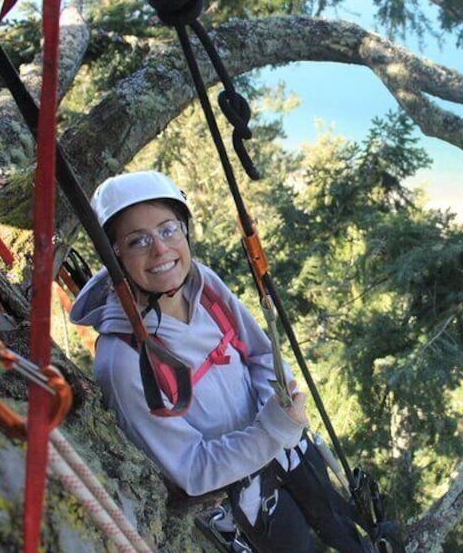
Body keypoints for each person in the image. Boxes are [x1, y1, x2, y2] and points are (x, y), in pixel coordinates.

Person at [70, 170, 370, 552]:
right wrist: (272, 429)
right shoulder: (123, 359)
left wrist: (278, 413)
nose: (161, 250)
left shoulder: (203, 283)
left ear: (184, 230)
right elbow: (191, 470)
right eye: (138, 241)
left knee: (349, 533)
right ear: (115, 255)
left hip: (289, 449)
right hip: (241, 499)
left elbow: (261, 354)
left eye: (167, 230)